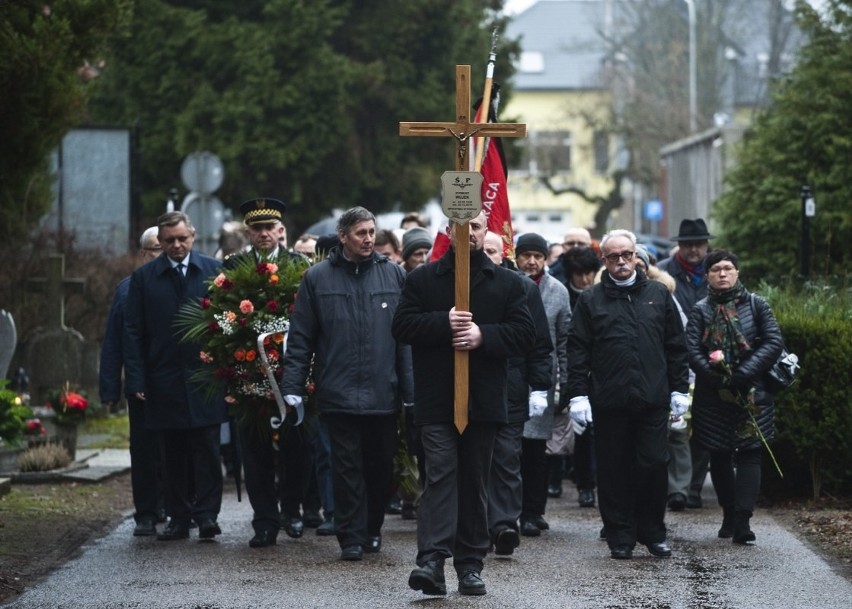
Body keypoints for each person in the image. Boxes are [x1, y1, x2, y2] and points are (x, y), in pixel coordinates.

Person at [393, 209, 535, 596]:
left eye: (475, 226)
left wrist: (481, 335)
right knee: (439, 478)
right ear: (448, 231)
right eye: (462, 225)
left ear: (486, 231)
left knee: (474, 481)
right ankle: (432, 561)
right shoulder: (423, 279)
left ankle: (470, 565)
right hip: (437, 399)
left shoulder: (507, 283)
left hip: (485, 400)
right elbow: (402, 326)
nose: (468, 232)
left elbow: (524, 334)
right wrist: (445, 322)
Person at [279, 206, 412, 562]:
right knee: (345, 466)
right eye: (361, 233)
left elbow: (405, 341)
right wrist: (292, 386)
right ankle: (350, 535)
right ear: (343, 237)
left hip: (383, 391)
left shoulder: (393, 277)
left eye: (372, 232)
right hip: (337, 391)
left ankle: (371, 528)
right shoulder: (318, 278)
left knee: (379, 466)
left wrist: (410, 392)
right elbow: (302, 337)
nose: (369, 239)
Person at [565, 228, 688, 560]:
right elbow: (577, 350)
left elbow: (676, 346)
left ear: (636, 256)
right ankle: (620, 534)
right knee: (614, 469)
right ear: (604, 260)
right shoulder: (591, 300)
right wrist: (577, 395)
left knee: (652, 465)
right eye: (614, 256)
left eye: (627, 255)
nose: (621, 261)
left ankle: (652, 532)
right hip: (610, 400)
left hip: (651, 398)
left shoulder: (658, 295)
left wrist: (680, 389)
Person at [124, 211, 227, 541]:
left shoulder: (213, 271)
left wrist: (229, 372)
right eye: (169, 241)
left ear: (193, 237)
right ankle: (179, 517)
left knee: (208, 449)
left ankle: (208, 515)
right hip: (163, 377)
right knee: (171, 453)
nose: (177, 245)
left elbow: (229, 324)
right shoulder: (144, 279)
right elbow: (134, 332)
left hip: (204, 376)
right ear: (161, 242)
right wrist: (137, 379)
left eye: (182, 239)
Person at [224, 198, 315, 548]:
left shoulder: (300, 266)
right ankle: (264, 520)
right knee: (255, 447)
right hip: (250, 370)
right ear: (248, 232)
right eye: (257, 229)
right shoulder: (234, 267)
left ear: (280, 230)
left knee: (298, 445)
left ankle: (291, 509)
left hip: (293, 370)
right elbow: (222, 319)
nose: (264, 234)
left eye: (269, 228)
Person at [686, 249, 783, 544]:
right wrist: (716, 377)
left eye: (728, 268)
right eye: (716, 269)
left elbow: (773, 341)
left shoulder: (756, 305)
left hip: (751, 392)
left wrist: (744, 373)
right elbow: (691, 349)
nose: (723, 274)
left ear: (738, 272)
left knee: (752, 451)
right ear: (708, 275)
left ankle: (743, 519)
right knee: (719, 453)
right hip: (713, 395)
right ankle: (728, 513)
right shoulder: (700, 310)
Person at [484, 232, 553, 554]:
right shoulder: (461, 286)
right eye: (483, 250)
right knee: (476, 461)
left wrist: (539, 388)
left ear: (504, 254)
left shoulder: (523, 288)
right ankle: (479, 524)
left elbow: (540, 345)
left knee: (507, 460)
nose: (487, 255)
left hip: (511, 389)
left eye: (492, 250)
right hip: (470, 391)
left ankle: (504, 524)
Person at [99, 227, 164, 537]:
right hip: (141, 383)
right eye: (155, 249)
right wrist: (109, 388)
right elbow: (113, 342)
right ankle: (147, 512)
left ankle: (178, 506)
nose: (161, 254)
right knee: (143, 450)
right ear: (143, 254)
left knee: (178, 447)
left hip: (175, 382)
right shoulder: (127, 290)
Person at [514, 233, 570, 539]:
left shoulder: (557, 291)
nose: (532, 261)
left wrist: (565, 385)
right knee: (510, 451)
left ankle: (534, 512)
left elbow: (564, 341)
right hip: (510, 376)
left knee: (536, 451)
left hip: (542, 379)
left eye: (538, 255)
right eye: (526, 255)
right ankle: (509, 510)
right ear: (516, 256)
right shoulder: (509, 283)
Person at [657, 218, 714, 509]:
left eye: (699, 244)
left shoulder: (715, 270)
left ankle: (693, 487)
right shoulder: (664, 272)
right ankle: (674, 486)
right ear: (679, 245)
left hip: (708, 359)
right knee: (675, 425)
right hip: (675, 355)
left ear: (707, 245)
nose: (694, 249)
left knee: (702, 426)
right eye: (688, 244)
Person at [548, 246, 601, 505]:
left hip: (600, 370)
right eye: (579, 273)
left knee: (593, 432)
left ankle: (590, 482)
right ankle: (575, 483)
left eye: (589, 273)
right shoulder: (562, 294)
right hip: (571, 368)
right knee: (572, 429)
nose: (585, 279)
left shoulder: (601, 294)